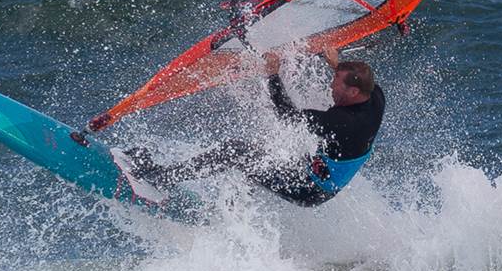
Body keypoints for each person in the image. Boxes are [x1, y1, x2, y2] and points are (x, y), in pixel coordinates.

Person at [132, 48, 384, 206]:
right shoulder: (375, 96)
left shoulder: (343, 123)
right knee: (260, 156)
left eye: (336, 82)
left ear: (353, 91)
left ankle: (159, 179)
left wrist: (273, 74)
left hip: (310, 189)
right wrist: (336, 66)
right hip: (321, 175)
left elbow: (287, 115)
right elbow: (358, 82)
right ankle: (231, 212)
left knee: (235, 152)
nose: (331, 86)